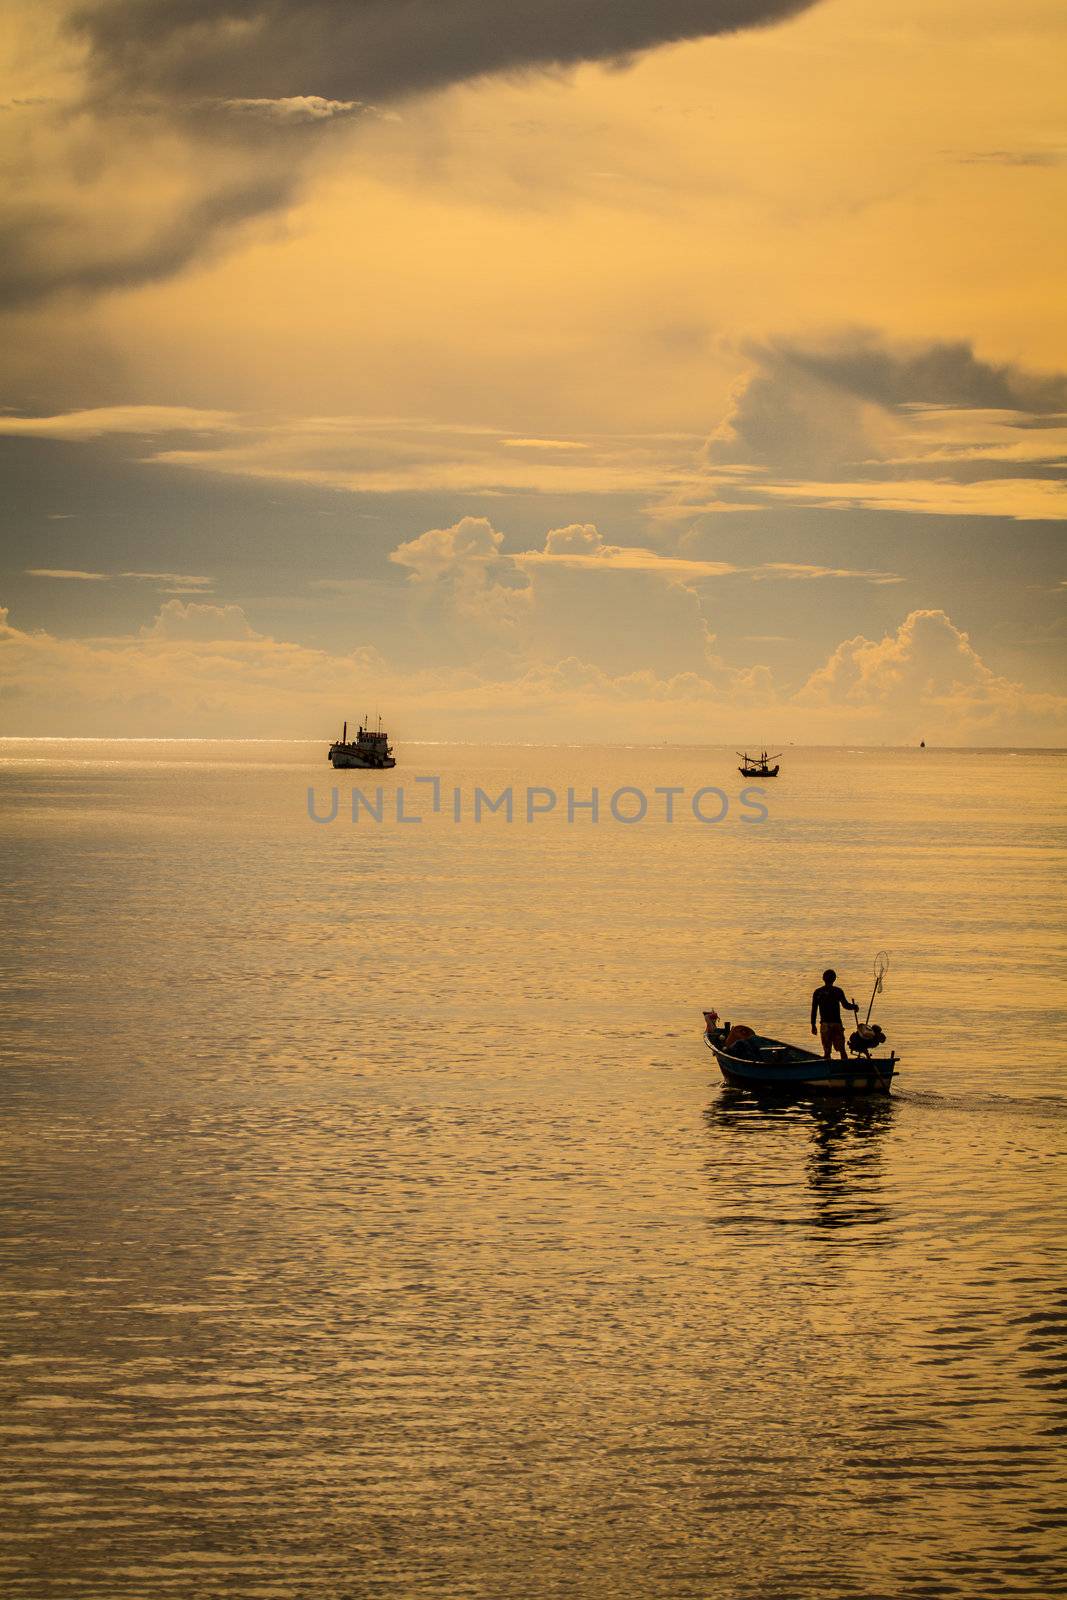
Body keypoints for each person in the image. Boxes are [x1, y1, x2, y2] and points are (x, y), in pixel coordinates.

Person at [810, 968, 859, 1062]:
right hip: (836, 1024)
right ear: (834, 979)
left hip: (825, 1025)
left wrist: (813, 1025)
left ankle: (828, 1069)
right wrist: (854, 1007)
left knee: (827, 1051)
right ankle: (845, 1067)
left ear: (823, 978)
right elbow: (845, 1005)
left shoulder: (818, 992)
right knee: (842, 1050)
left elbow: (814, 1010)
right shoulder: (838, 991)